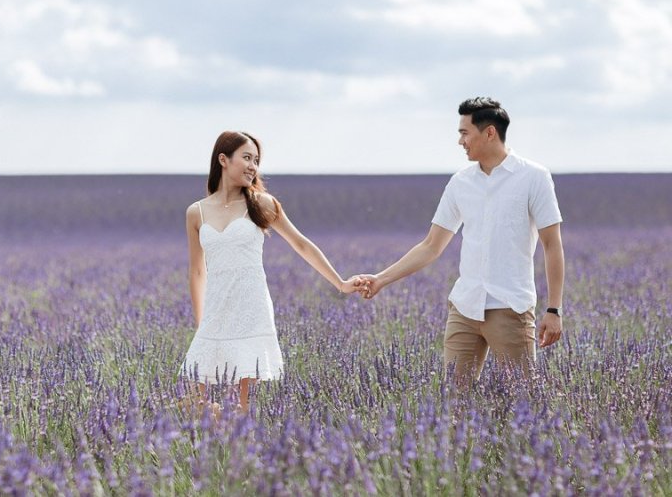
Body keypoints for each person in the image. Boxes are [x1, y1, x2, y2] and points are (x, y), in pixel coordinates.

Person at [358, 97, 565, 386]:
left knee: (524, 400)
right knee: (453, 402)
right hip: (464, 308)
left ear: (489, 132)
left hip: (510, 308)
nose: (460, 141)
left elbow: (552, 244)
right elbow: (432, 245)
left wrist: (554, 310)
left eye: (464, 132)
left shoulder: (534, 177)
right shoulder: (460, 183)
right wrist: (381, 279)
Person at [181, 131, 362, 414]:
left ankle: (237, 450)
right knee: (194, 404)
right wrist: (200, 322)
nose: (253, 166)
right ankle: (218, 430)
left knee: (241, 410)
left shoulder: (261, 203)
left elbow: (301, 244)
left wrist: (340, 283)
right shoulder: (196, 212)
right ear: (223, 160)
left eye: (256, 160)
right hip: (216, 310)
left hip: (250, 309)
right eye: (247, 157)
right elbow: (196, 272)